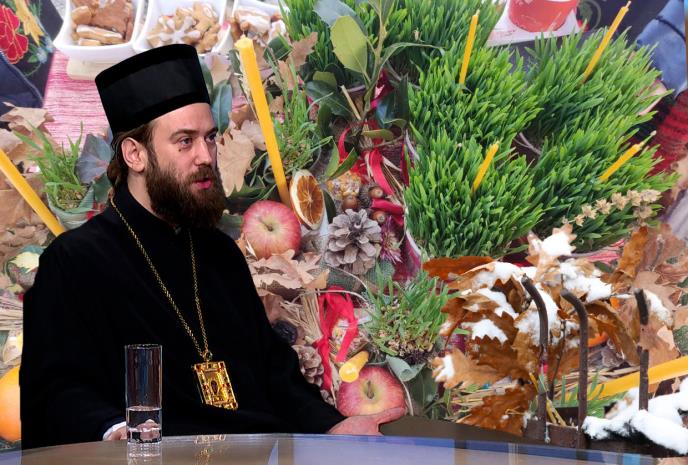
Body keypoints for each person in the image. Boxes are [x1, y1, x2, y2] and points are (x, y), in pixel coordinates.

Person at [19, 44, 405, 449]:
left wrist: (331, 427)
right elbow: (56, 391)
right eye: (185, 141)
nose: (206, 156)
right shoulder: (74, 261)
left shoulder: (219, 253)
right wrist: (113, 429)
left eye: (210, 137)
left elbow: (274, 374)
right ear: (135, 154)